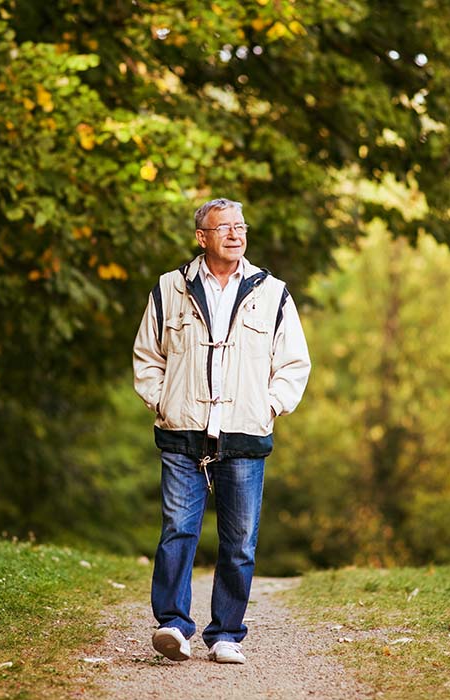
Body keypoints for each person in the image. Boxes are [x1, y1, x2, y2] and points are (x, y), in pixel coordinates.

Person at [132, 198, 311, 664]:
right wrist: (163, 402)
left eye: (241, 226)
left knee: (240, 541)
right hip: (182, 433)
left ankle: (227, 633)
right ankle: (173, 625)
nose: (235, 234)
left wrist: (267, 407)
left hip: (244, 435)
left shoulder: (272, 292)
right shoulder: (171, 288)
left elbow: (293, 363)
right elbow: (147, 357)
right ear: (202, 237)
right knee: (177, 532)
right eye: (224, 227)